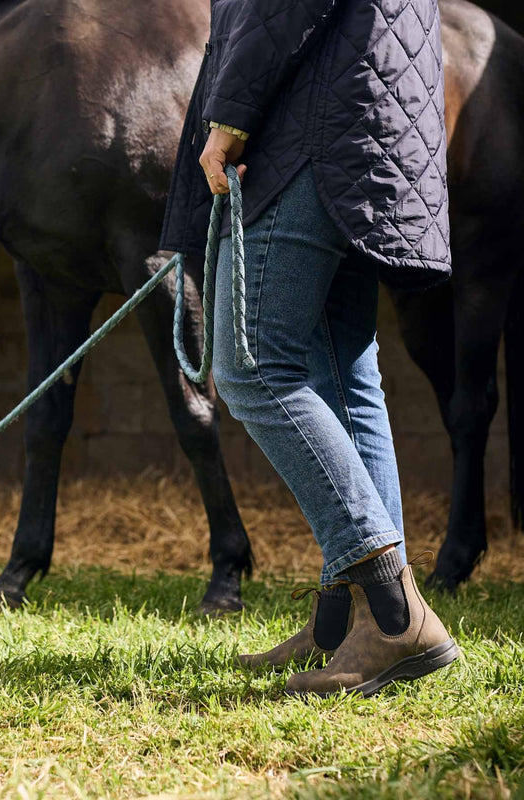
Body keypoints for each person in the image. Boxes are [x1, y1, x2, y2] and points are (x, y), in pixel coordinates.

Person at [160, 0, 460, 696]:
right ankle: (345, 620)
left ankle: (392, 610)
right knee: (342, 366)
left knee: (253, 363)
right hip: (367, 116)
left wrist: (231, 112)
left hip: (311, 119)